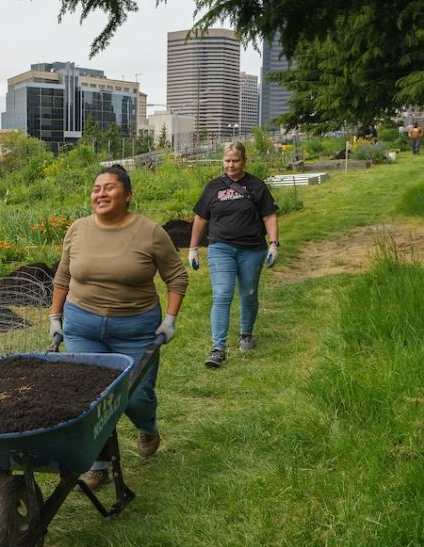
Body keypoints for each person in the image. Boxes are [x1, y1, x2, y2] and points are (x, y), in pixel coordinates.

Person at [49, 164, 188, 491]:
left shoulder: (151, 232)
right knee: (91, 398)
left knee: (135, 396)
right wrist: (55, 316)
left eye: (109, 188)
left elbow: (176, 276)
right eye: (96, 188)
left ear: (128, 195)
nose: (101, 193)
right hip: (82, 324)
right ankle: (99, 463)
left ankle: (147, 426)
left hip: (136, 329)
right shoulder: (78, 230)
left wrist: (169, 320)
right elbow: (62, 276)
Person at [188, 141, 279, 369]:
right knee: (222, 294)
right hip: (221, 248)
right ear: (222, 161)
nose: (231, 165)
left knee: (248, 294)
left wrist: (274, 244)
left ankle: (246, 334)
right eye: (227, 161)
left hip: (252, 249)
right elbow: (200, 219)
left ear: (244, 161)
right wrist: (193, 248)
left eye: (235, 160)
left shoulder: (256, 186)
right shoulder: (213, 188)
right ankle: (218, 348)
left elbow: (269, 216)